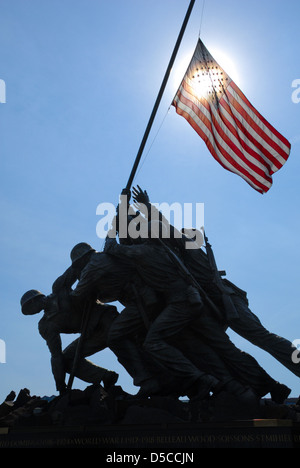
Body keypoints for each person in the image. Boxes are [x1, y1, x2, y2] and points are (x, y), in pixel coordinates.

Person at [132, 186, 300, 388]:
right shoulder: (175, 254)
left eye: (153, 237)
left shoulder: (187, 247)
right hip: (212, 304)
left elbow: (166, 228)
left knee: (261, 337)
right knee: (219, 347)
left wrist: (146, 207)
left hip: (224, 297)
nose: (151, 241)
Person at [20, 265, 119, 395]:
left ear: (35, 300)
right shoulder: (46, 325)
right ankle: (105, 377)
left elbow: (79, 266)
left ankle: (147, 379)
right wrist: (60, 385)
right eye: (28, 311)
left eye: (29, 308)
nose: (30, 312)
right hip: (93, 334)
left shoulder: (59, 288)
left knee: (124, 346)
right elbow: (56, 356)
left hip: (106, 319)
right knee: (66, 359)